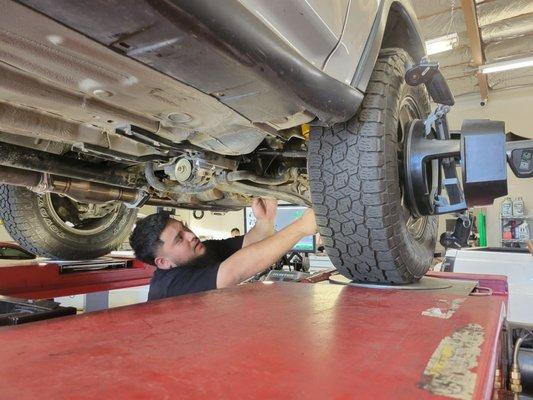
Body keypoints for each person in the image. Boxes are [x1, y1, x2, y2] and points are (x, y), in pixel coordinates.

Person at [129, 198, 317, 300]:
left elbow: (248, 243)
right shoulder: (169, 286)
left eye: (184, 228)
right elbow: (234, 271)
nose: (190, 235)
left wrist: (265, 220)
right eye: (179, 239)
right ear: (163, 262)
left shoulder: (200, 251)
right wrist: (301, 227)